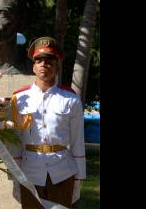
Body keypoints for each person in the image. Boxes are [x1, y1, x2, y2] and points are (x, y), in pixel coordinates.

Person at [7, 36, 86, 208]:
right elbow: (14, 140)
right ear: (34, 66)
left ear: (57, 66)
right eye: (39, 60)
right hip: (30, 172)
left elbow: (78, 140)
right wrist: (14, 174)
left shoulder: (70, 99)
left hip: (62, 172)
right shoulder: (18, 99)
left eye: (49, 60)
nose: (44, 64)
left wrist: (79, 177)